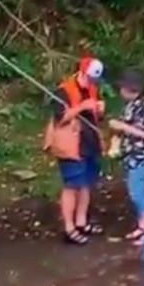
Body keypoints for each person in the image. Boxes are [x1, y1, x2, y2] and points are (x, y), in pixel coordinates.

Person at [47, 56, 105, 245]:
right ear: (81, 72)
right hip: (71, 145)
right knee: (72, 186)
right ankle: (69, 228)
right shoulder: (63, 91)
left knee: (86, 183)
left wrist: (99, 110)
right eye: (90, 79)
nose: (92, 83)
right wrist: (81, 107)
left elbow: (96, 117)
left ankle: (82, 222)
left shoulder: (93, 88)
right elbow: (60, 119)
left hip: (90, 143)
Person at [108, 70, 144, 244]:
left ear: (130, 89)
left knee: (138, 194)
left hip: (140, 156)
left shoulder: (143, 106)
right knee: (134, 192)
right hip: (130, 156)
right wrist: (115, 145)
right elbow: (120, 131)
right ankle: (142, 227)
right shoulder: (129, 106)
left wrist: (121, 126)